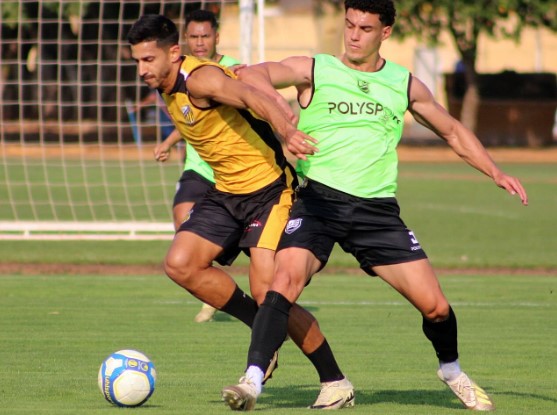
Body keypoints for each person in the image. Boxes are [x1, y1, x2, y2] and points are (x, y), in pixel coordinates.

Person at [222, 0, 528, 411]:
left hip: (376, 212)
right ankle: (252, 381)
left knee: (436, 308)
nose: (353, 35)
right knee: (283, 282)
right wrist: (281, 121)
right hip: (318, 203)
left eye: (364, 28)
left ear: (385, 33)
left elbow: (452, 130)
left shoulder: (403, 84)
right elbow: (251, 74)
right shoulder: (315, 69)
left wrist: (495, 171)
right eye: (349, 25)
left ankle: (451, 370)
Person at [127, 14, 353, 410]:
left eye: (149, 60)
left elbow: (253, 95)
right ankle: (261, 324)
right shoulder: (165, 86)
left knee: (272, 293)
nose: (142, 70)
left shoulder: (199, 80)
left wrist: (286, 132)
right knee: (181, 263)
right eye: (137, 62)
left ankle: (334, 380)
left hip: (269, 192)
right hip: (225, 193)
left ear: (173, 53)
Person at [153, 9, 241, 324]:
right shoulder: (180, 75)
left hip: (235, 170)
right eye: (194, 36)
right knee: (182, 220)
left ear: (216, 36)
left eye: (205, 36)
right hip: (199, 167)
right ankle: (209, 290)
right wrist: (169, 142)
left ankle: (220, 285)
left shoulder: (231, 70)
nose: (200, 42)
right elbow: (188, 116)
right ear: (185, 40)